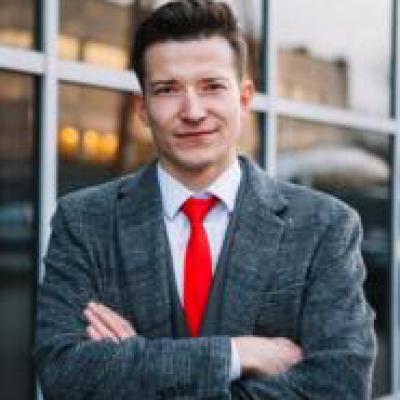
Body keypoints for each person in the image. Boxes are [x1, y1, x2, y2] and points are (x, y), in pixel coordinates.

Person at [34, 1, 376, 399]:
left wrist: (135, 368)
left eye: (212, 86)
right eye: (168, 89)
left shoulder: (325, 227)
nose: (193, 112)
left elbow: (340, 386)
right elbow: (64, 374)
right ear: (142, 108)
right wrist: (235, 354)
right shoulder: (83, 221)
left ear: (244, 98)